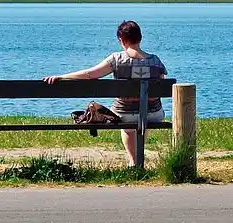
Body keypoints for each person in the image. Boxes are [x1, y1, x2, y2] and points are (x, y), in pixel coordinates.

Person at [42, 20, 167, 166]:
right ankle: (139, 158)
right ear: (140, 38)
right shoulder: (155, 61)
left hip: (124, 113)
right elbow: (160, 83)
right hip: (153, 114)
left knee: (127, 121)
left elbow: (90, 74)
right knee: (141, 116)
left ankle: (134, 162)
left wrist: (63, 77)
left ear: (121, 40)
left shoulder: (117, 59)